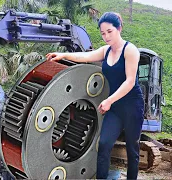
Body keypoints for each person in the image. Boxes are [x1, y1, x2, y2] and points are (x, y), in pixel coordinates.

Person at [46, 12, 144, 179]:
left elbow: (129, 82)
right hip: (115, 107)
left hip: (132, 106)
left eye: (109, 31)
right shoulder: (106, 51)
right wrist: (63, 55)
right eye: (103, 33)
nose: (106, 36)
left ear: (119, 29)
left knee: (132, 149)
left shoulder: (130, 51)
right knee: (104, 144)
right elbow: (85, 57)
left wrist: (108, 100)